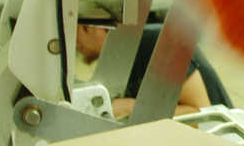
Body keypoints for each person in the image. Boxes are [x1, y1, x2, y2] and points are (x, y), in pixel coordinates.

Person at [76, 20, 232, 118]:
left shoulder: (158, 43)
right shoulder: (117, 59)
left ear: (90, 27)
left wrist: (133, 107)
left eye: (73, 35)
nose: (74, 46)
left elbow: (201, 113)